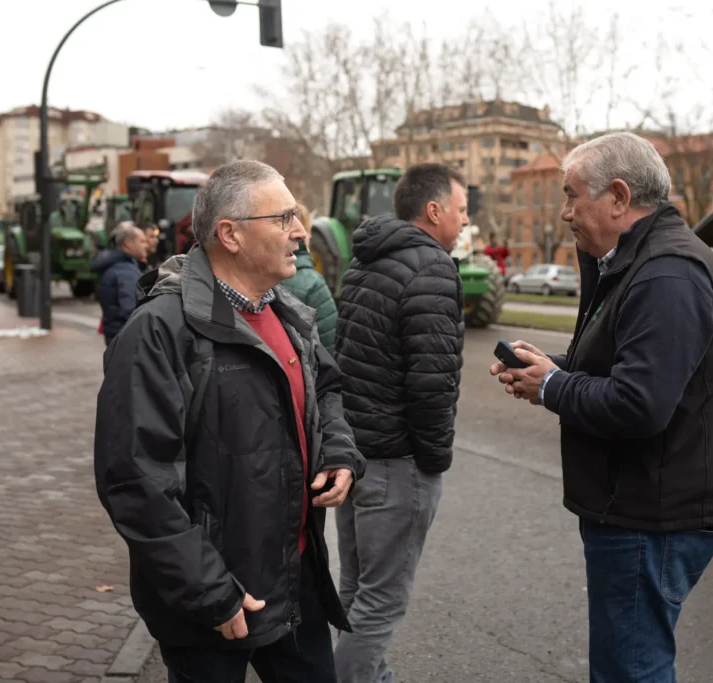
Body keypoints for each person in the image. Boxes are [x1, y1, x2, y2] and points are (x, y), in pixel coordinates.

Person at [94, 159, 364, 683]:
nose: (300, 231)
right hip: (213, 600)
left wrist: (338, 451)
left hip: (293, 580)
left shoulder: (287, 312)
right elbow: (135, 482)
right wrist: (209, 592)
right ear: (230, 235)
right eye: (283, 218)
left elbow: (327, 391)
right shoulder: (158, 331)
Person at [490, 131, 713, 683]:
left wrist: (554, 385)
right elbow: (625, 364)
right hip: (641, 503)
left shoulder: (667, 273)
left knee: (630, 668)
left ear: (620, 197)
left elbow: (638, 404)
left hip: (652, 514)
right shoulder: (638, 263)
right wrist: (550, 365)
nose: (563, 213)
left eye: (571, 195)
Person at [332, 162, 467, 683]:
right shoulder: (431, 268)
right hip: (396, 464)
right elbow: (432, 384)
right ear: (433, 211)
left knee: (355, 590)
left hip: (357, 458)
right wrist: (432, 463)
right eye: (460, 211)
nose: (463, 223)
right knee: (380, 603)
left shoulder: (366, 261)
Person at [279, 203, 338, 355]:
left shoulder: (257, 275)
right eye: (309, 231)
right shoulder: (313, 284)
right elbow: (329, 346)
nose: (308, 236)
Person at [91, 223, 147, 346]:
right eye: (142, 241)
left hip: (117, 337)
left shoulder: (118, 266)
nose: (146, 245)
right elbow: (131, 310)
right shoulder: (125, 271)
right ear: (128, 243)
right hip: (128, 340)